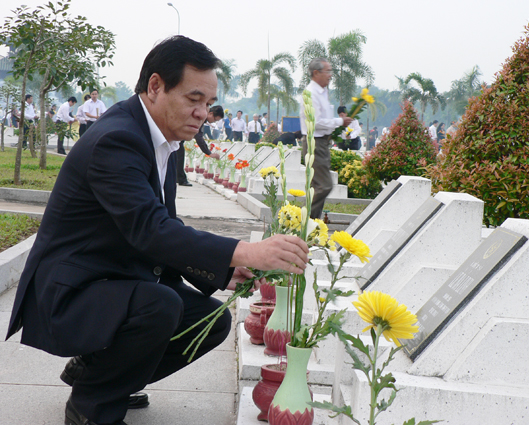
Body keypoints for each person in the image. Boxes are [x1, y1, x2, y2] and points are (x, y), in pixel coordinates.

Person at [5, 35, 309, 425]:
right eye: (193, 99)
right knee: (160, 306)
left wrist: (222, 269)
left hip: (110, 280)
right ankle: (92, 407)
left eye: (208, 103)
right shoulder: (117, 139)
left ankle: (97, 372)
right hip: (69, 293)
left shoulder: (162, 140)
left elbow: (160, 225)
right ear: (155, 86)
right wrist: (246, 251)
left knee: (209, 321)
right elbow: (150, 230)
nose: (202, 112)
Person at [300, 57, 353, 219]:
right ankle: (303, 221)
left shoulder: (322, 92)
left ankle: (310, 225)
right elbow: (314, 122)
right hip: (314, 142)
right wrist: (339, 121)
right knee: (324, 186)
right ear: (316, 73)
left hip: (322, 142)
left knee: (317, 187)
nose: (330, 75)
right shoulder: (311, 93)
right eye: (327, 71)